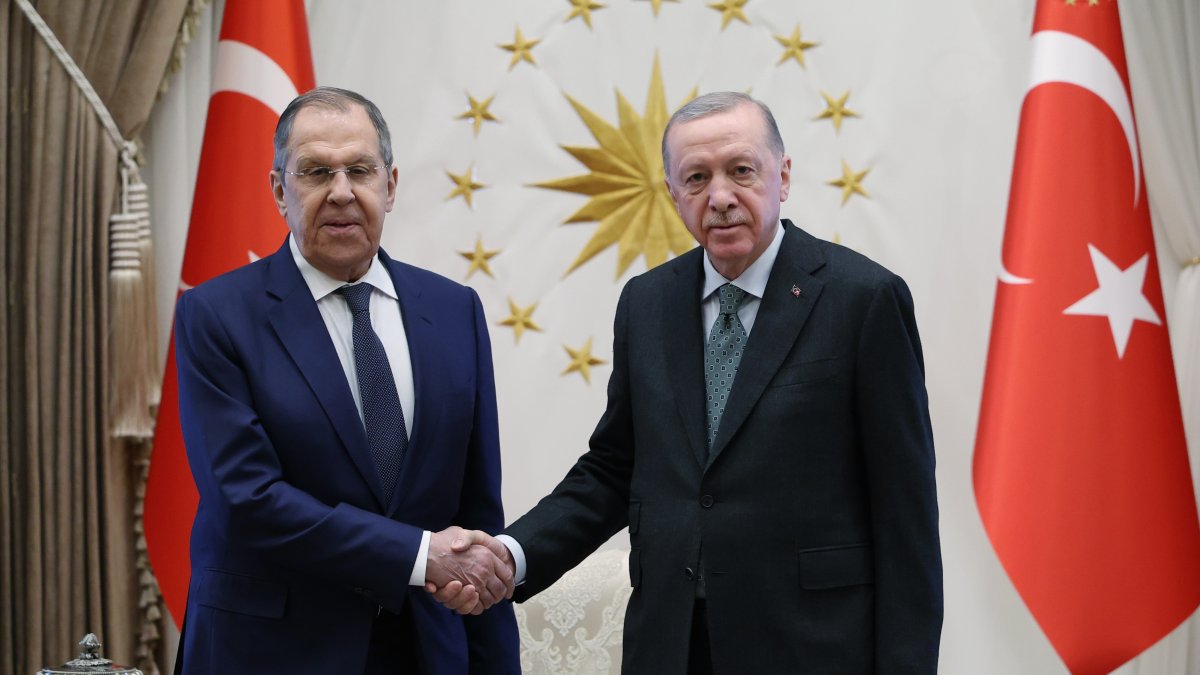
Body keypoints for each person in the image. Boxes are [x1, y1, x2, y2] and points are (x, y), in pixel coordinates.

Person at [438, 91, 943, 673]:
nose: (721, 197)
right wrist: (510, 554)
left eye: (741, 171)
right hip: (672, 646)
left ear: (782, 176)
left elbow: (905, 517)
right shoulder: (647, 303)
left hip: (812, 648)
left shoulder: (863, 299)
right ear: (674, 193)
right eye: (697, 178)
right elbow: (613, 468)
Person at [173, 86, 519, 673]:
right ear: (280, 191)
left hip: (424, 647)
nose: (341, 191)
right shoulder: (216, 315)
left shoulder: (454, 309)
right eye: (315, 172)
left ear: (390, 185)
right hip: (271, 651)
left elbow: (476, 507)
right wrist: (415, 555)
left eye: (360, 169)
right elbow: (246, 499)